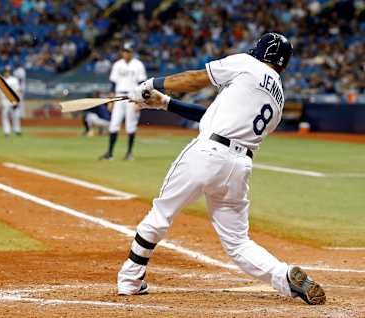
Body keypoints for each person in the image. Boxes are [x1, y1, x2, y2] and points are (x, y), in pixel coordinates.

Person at [118, 33, 326, 305]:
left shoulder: (246, 64)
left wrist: (151, 83)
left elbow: (195, 78)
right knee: (238, 243)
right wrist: (164, 101)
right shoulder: (278, 99)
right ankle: (284, 275)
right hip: (239, 168)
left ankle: (130, 279)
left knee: (162, 213)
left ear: (260, 51)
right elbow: (211, 115)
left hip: (207, 153)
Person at [99, 42, 147, 161]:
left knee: (130, 126)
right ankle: (110, 153)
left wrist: (139, 101)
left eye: (128, 51)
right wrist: (111, 101)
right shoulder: (117, 65)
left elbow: (143, 84)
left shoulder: (138, 65)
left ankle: (129, 153)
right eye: (124, 51)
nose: (125, 53)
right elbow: (113, 84)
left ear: (132, 52)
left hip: (132, 97)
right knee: (114, 124)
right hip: (119, 96)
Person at [0, 65, 22, 136]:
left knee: (16, 115)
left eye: (8, 71)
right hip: (4, 100)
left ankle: (17, 130)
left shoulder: (14, 80)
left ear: (10, 72)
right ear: (3, 72)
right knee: (5, 115)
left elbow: (18, 90)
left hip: (13, 99)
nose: (7, 72)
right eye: (5, 71)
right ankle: (7, 131)